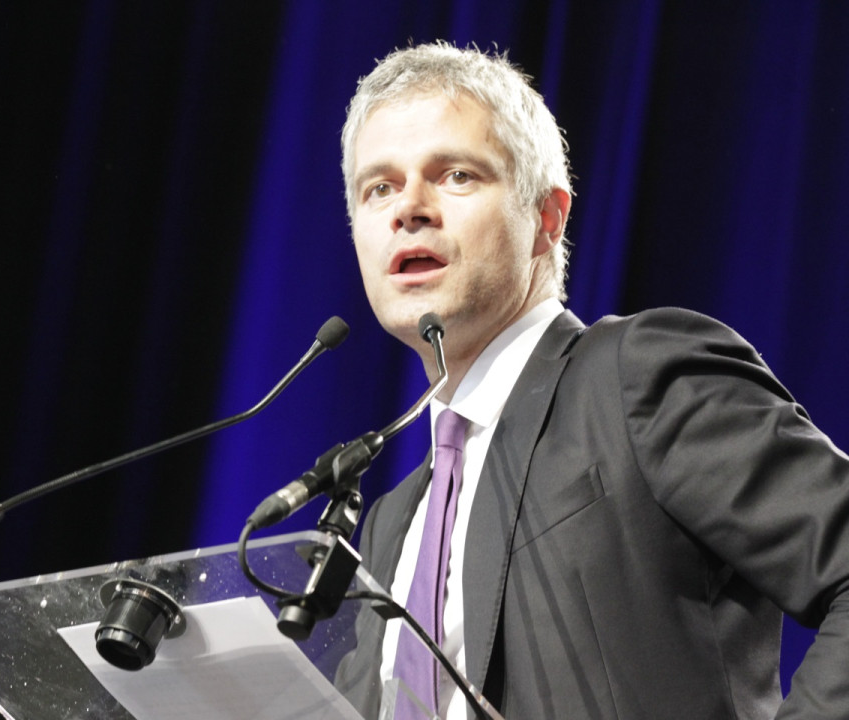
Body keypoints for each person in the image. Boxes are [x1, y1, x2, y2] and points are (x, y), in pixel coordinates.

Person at [334, 41, 849, 719]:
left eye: (456, 175)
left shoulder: (635, 376)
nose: (410, 208)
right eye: (380, 188)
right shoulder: (391, 523)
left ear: (546, 220)